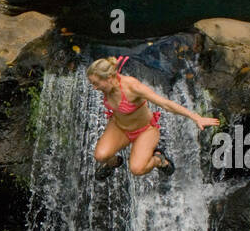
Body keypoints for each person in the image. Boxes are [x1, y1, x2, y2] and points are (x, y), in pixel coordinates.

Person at [86, 55, 220, 180]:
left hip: (144, 130)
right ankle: (113, 163)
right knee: (101, 155)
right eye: (92, 83)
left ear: (109, 78)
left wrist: (195, 117)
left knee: (137, 169)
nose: (94, 88)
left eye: (96, 83)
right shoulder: (108, 84)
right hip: (119, 127)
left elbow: (166, 104)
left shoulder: (133, 87)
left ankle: (158, 159)